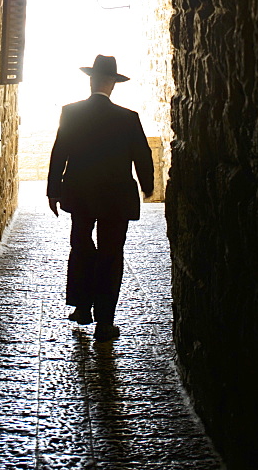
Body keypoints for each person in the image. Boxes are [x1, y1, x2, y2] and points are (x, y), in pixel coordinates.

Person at [46, 54, 155, 343]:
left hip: (80, 193)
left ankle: (83, 308)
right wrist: (148, 186)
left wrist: (53, 190)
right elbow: (142, 155)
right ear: (112, 84)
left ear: (91, 81)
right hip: (116, 197)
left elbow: (60, 152)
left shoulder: (72, 113)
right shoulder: (128, 118)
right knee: (111, 253)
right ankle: (105, 322)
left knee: (81, 244)